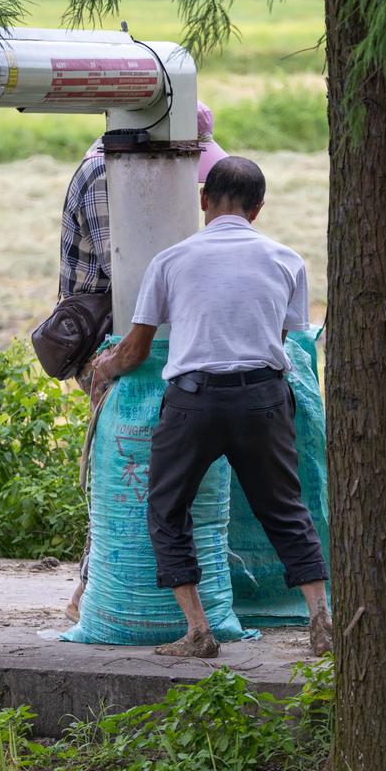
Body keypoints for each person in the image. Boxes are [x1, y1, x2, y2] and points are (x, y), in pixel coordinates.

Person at [90, 156, 332, 658]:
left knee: (166, 509)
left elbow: (135, 351)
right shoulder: (287, 260)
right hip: (263, 399)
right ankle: (320, 620)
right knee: (285, 509)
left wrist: (104, 368)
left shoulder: (171, 260)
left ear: (203, 201)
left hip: (192, 404)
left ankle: (198, 631)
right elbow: (285, 339)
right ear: (258, 209)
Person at [61, 102, 229, 622]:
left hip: (138, 339)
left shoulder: (127, 167)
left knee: (136, 472)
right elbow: (134, 265)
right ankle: (93, 598)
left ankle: (92, 593)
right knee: (123, 473)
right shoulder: (107, 176)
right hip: (112, 342)